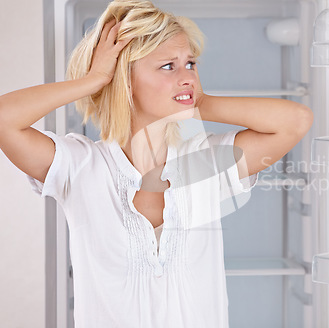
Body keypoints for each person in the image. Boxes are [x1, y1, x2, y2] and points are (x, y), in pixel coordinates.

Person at [0, 0, 313, 327]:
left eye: (190, 63)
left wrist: (201, 103)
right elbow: (5, 119)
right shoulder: (79, 167)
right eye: (168, 66)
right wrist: (95, 79)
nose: (187, 76)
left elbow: (296, 121)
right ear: (125, 78)